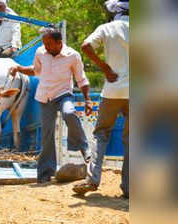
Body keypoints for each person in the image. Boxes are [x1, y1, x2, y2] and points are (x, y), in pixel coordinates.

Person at [9, 28, 92, 183]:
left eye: (48, 44)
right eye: (44, 43)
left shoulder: (72, 55)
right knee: (47, 136)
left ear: (59, 43)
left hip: (63, 94)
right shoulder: (41, 52)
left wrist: (87, 100)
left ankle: (84, 148)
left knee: (69, 113)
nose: (45, 46)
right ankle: (45, 174)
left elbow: (81, 79)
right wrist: (19, 68)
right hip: (44, 97)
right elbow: (36, 70)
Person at [73, 0, 129, 198]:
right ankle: (130, 188)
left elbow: (86, 46)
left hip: (113, 90)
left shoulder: (107, 27)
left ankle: (92, 179)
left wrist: (105, 68)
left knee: (101, 133)